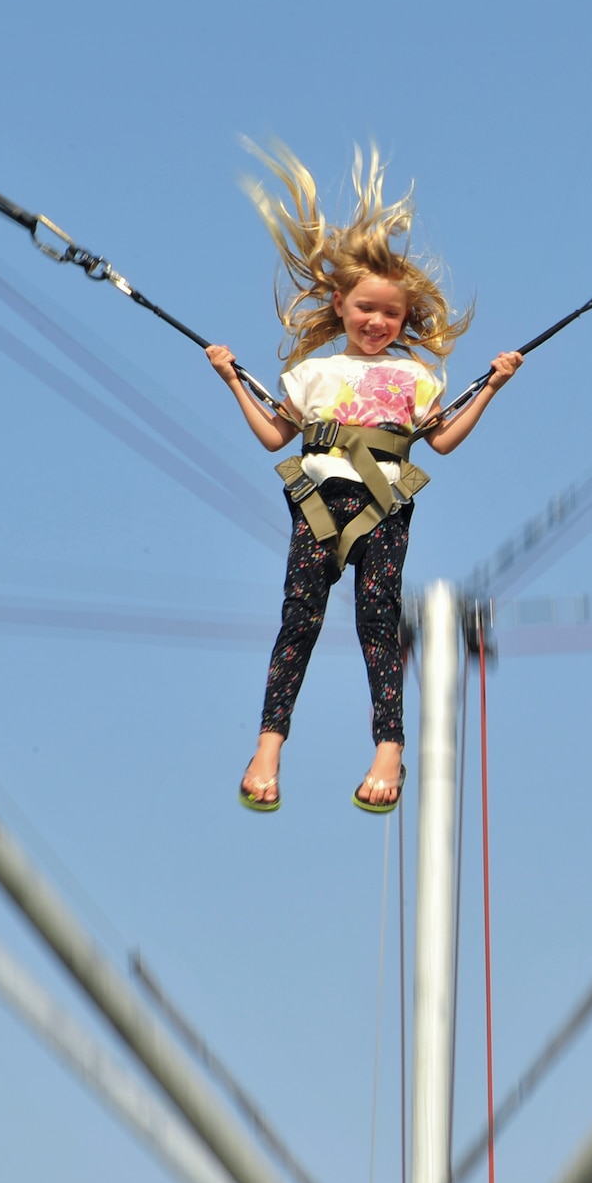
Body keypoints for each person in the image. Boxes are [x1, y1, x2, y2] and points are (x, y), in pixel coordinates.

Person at [205, 144, 521, 814]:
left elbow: (441, 441)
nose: (378, 323)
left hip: (383, 506)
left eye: (392, 315)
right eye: (366, 309)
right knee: (299, 620)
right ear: (341, 303)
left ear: (406, 319)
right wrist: (232, 379)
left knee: (379, 621)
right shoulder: (313, 372)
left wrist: (492, 387)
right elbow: (273, 435)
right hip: (317, 503)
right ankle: (268, 748)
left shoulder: (417, 377)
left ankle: (390, 749)